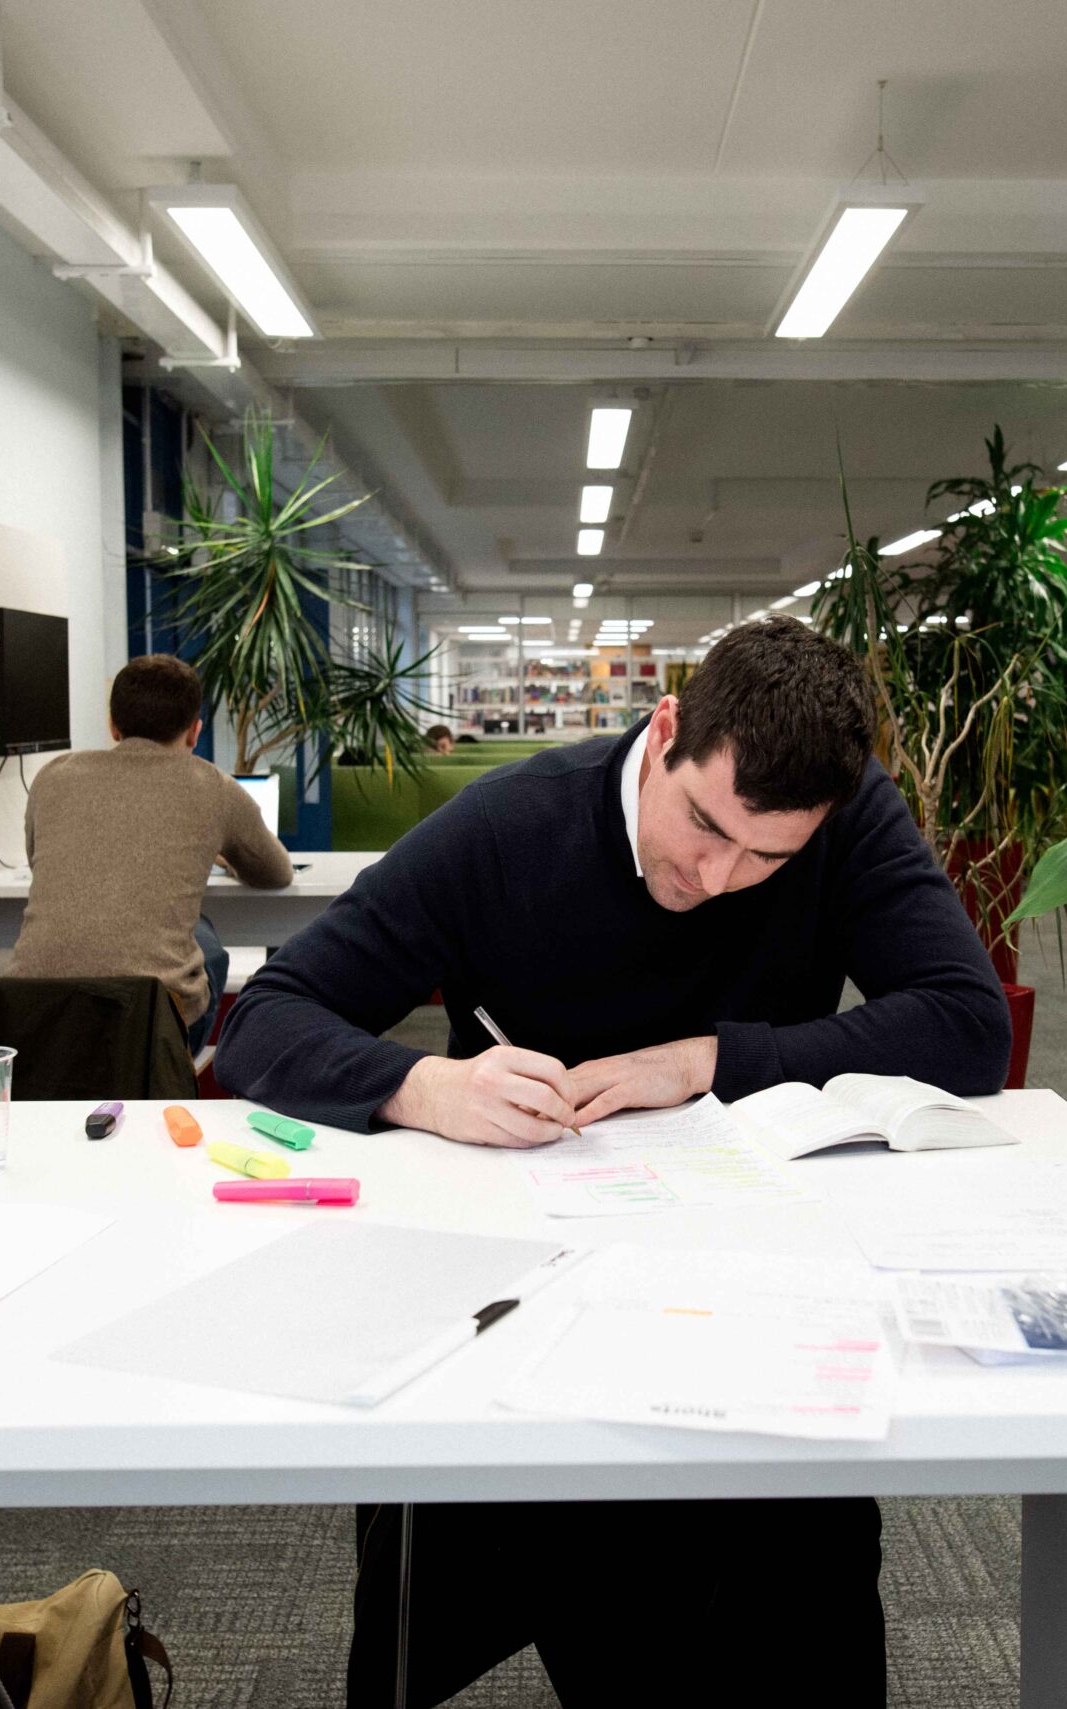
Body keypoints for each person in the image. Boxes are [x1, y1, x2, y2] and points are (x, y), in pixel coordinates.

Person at [216, 619, 1010, 1708]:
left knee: (799, 1567)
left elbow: (967, 1024)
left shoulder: (845, 810)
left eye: (766, 856)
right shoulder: (511, 822)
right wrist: (425, 1086)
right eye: (703, 825)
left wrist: (712, 1058)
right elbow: (266, 1018)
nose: (720, 876)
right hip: (525, 1294)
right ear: (668, 728)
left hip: (752, 1288)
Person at [5, 654, 292, 1054]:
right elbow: (277, 873)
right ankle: (175, 1076)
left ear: (113, 725)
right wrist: (220, 854)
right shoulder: (213, 786)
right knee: (206, 942)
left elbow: (38, 856)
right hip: (147, 1025)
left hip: (32, 1016)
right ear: (194, 732)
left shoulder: (53, 775)